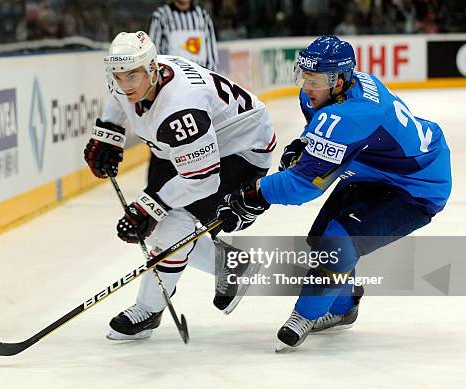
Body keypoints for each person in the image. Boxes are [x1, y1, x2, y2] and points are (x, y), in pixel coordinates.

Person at [217, 35, 452, 349]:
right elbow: (319, 133)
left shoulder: (353, 115)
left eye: (315, 80)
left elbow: (303, 186)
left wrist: (254, 195)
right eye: (305, 76)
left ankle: (305, 314)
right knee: (321, 241)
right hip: (372, 170)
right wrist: (304, 145)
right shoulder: (334, 93)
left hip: (416, 186)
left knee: (337, 244)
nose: (306, 86)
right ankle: (343, 309)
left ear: (339, 81)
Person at [83, 31, 276, 340]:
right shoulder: (132, 76)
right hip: (179, 147)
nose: (125, 83)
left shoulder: (181, 109)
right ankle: (230, 266)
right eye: (119, 75)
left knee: (170, 221)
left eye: (132, 75)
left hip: (240, 148)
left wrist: (150, 207)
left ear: (152, 69)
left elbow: (203, 179)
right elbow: (117, 97)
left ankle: (149, 308)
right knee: (165, 221)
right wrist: (107, 133)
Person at [149, 0, 218, 71]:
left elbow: (211, 55)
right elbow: (153, 52)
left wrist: (208, 76)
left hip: (201, 77)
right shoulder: (161, 15)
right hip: (172, 78)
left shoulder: (203, 15)